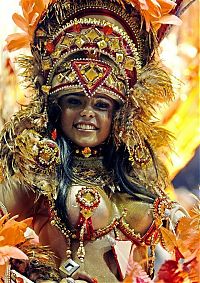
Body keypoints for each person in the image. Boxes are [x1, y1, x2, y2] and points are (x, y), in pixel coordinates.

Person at [0, 0, 189, 282]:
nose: (87, 112)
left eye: (101, 105)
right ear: (56, 109)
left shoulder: (136, 178)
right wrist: (33, 274)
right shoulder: (38, 175)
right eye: (75, 101)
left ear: (118, 116)